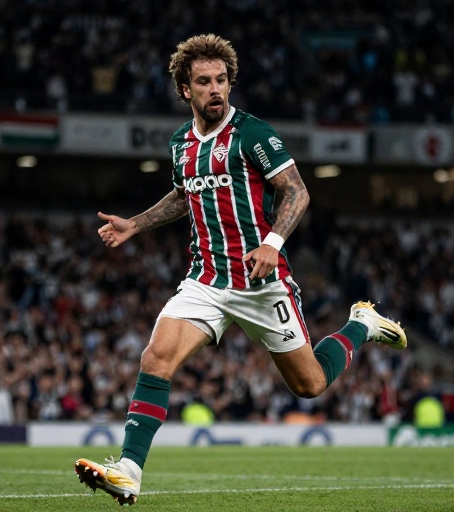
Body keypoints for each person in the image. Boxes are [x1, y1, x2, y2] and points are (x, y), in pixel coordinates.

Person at [73, 34, 407, 505]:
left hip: (262, 283)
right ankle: (129, 471)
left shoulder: (253, 133)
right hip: (206, 280)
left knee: (310, 384)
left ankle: (361, 324)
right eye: (204, 82)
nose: (215, 89)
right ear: (185, 89)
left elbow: (297, 191)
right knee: (155, 358)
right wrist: (137, 223)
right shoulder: (180, 143)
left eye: (222, 80)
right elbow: (184, 194)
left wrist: (272, 243)